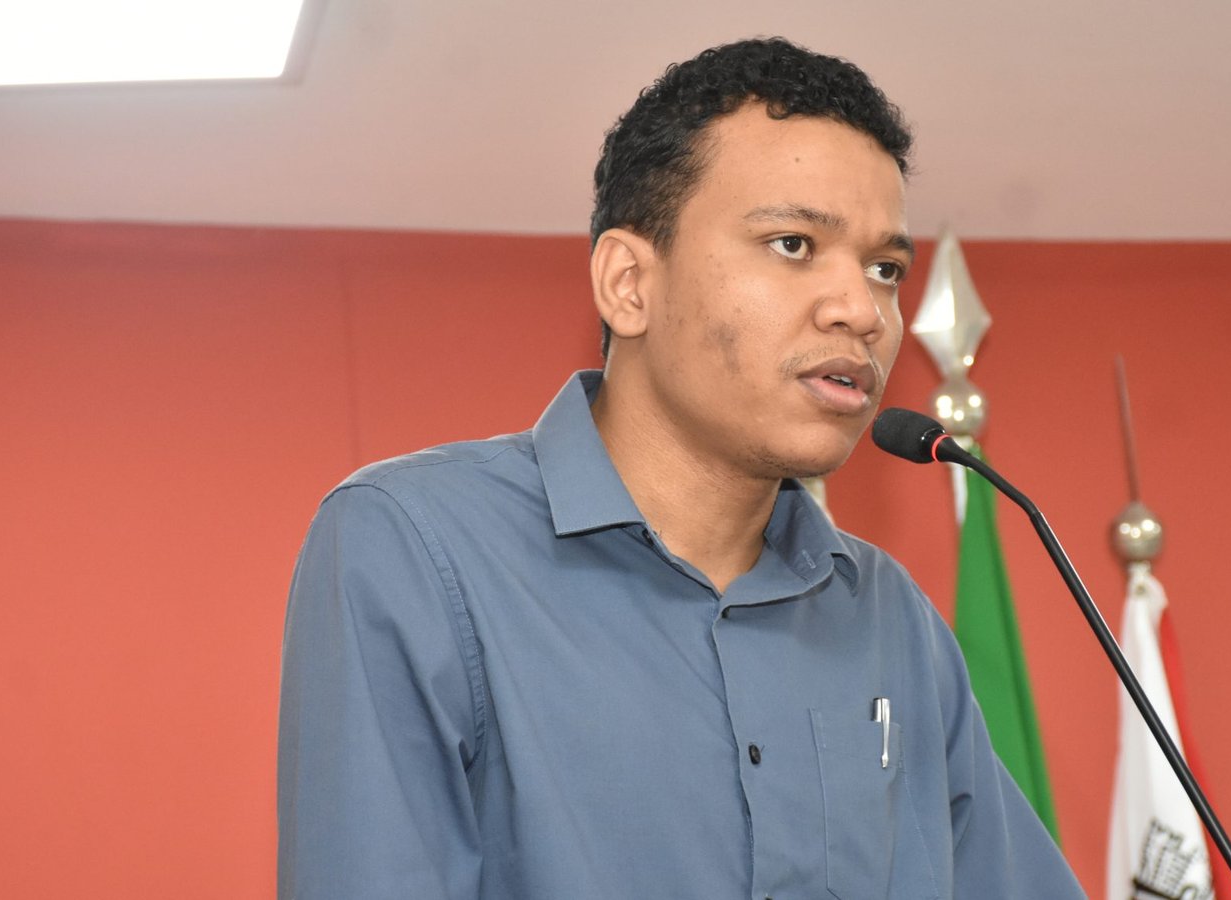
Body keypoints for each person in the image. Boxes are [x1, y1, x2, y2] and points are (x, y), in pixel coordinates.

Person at [278, 37, 1085, 900]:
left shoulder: (891, 620)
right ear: (629, 283)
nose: (862, 310)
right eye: (793, 243)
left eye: (885, 269)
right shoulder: (414, 546)